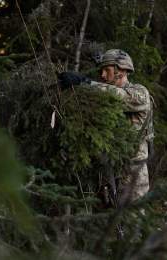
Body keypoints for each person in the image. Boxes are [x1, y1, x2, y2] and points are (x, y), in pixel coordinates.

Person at [58, 49, 153, 201]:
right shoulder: (105, 92)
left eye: (107, 70)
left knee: (133, 218)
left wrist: (84, 83)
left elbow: (117, 96)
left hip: (133, 169)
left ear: (121, 71)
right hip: (109, 167)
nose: (102, 75)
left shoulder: (140, 93)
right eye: (101, 71)